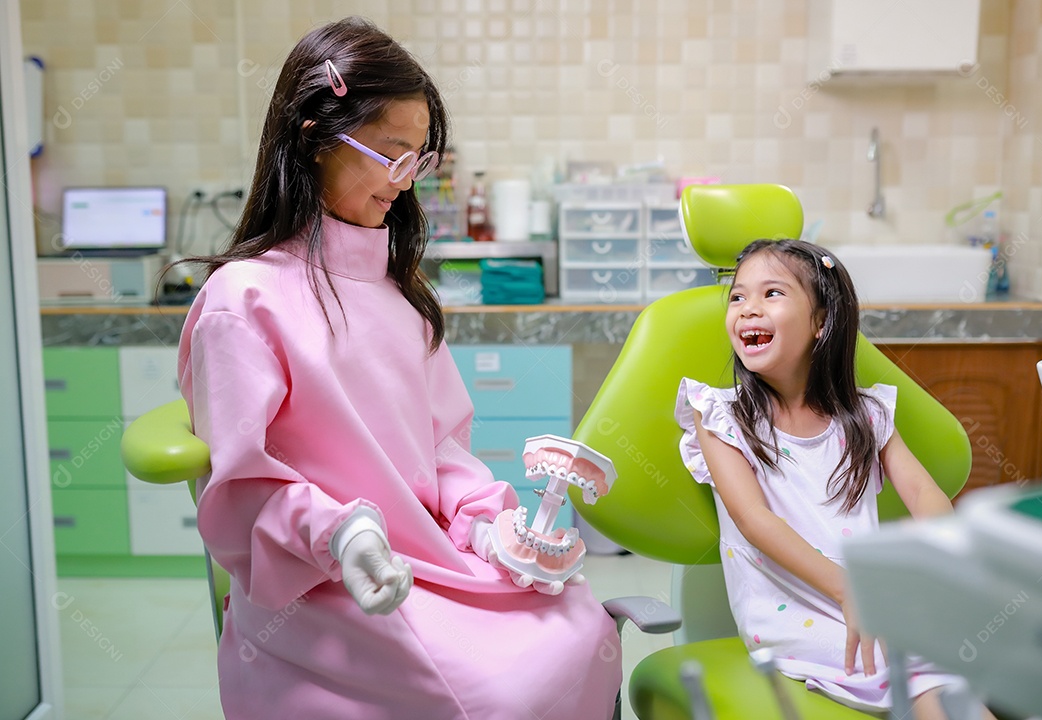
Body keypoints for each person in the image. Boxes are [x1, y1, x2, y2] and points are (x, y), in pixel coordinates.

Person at [177, 17, 620, 720]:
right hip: (322, 584)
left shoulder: (396, 291)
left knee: (582, 627)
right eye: (390, 154)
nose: (405, 180)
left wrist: (484, 523)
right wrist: (343, 535)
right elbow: (243, 488)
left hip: (425, 556)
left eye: (417, 158)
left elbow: (440, 445)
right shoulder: (245, 300)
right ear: (313, 136)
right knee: (505, 689)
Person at [675, 239, 994, 719]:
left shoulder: (865, 415)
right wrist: (848, 591)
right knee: (921, 657)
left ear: (821, 322)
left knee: (966, 641)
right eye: (738, 297)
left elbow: (924, 491)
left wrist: (944, 555)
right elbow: (751, 517)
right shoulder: (721, 414)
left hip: (867, 589)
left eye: (772, 294)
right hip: (789, 607)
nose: (748, 310)